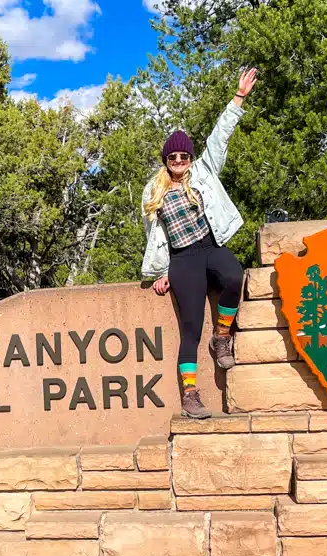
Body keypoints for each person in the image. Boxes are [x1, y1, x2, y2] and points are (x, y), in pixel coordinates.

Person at [140, 68, 257, 419]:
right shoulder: (153, 190)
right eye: (173, 157)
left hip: (210, 247)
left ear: (190, 158)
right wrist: (159, 271)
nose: (179, 161)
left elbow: (220, 136)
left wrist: (239, 98)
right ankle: (190, 395)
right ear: (166, 160)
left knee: (234, 277)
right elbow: (154, 236)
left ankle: (222, 335)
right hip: (182, 260)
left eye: (184, 156)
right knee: (189, 327)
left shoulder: (204, 172)